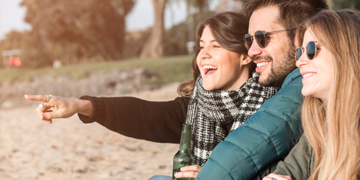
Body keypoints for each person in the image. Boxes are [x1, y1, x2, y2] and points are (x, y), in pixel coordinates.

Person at [25, 12, 279, 179]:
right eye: (202, 47)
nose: (203, 55)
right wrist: (79, 106)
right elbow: (144, 115)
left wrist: (213, 175)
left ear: (246, 55)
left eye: (216, 46)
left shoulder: (273, 107)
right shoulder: (196, 107)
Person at [195, 0, 328, 179]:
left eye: (262, 38)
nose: (251, 51)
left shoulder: (303, 87)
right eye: (249, 40)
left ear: (298, 37)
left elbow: (244, 151)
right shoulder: (278, 87)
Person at [263, 9, 360, 180]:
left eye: (311, 49)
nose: (299, 62)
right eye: (299, 52)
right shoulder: (318, 128)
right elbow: (284, 173)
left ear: (346, 52)